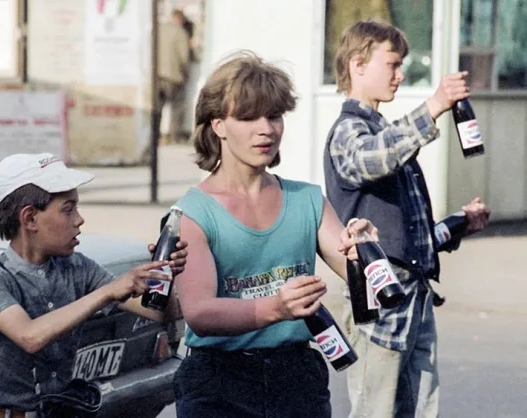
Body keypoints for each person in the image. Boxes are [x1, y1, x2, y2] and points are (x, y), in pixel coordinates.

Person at [170, 51, 378, 418]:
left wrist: (365, 251)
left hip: (296, 377)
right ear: (218, 125)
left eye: (274, 115)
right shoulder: (194, 212)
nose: (266, 129)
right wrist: (274, 309)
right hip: (218, 382)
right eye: (248, 117)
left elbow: (359, 273)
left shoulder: (307, 199)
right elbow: (199, 312)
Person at [323, 20, 491, 418]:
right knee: (375, 411)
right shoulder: (349, 131)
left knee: (420, 409)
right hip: (378, 306)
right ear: (357, 64)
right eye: (392, 64)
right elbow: (374, 158)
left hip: (414, 299)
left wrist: (460, 223)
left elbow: (409, 239)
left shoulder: (385, 130)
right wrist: (434, 106)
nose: (400, 74)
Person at [0, 152, 188, 417]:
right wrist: (108, 292)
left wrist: (164, 275)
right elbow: (30, 336)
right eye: (68, 210)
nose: (79, 220)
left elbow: (160, 314)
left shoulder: (78, 268)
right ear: (30, 218)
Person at [157, 9, 191, 144]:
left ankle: (155, 136)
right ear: (180, 20)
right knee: (177, 107)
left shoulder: (159, 30)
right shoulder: (181, 33)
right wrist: (186, 74)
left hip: (157, 76)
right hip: (174, 76)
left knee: (157, 108)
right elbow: (184, 58)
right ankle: (174, 137)